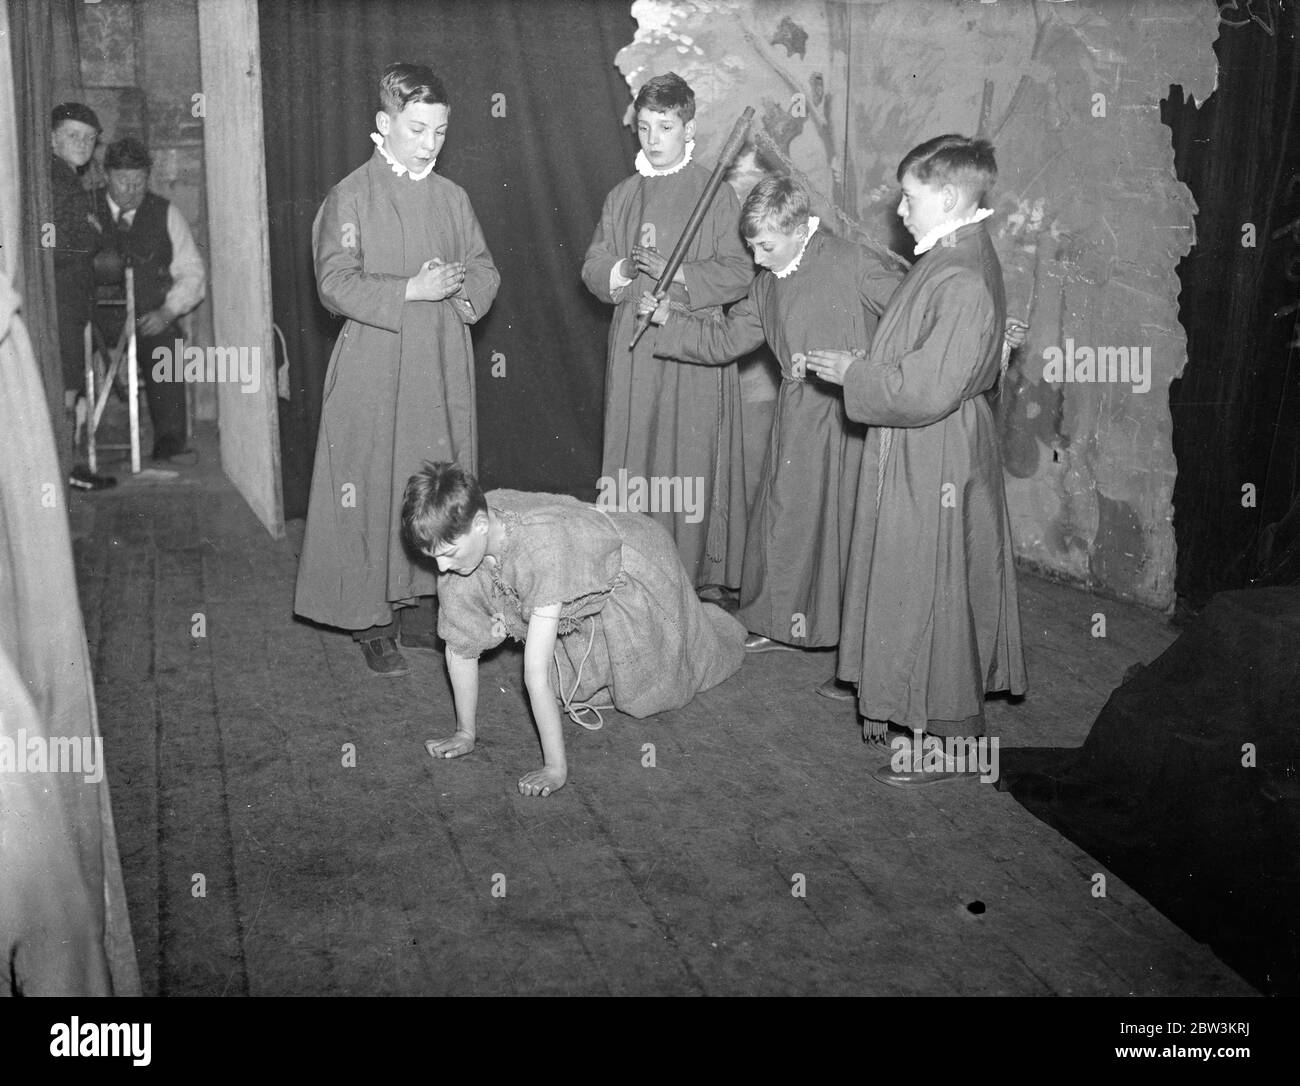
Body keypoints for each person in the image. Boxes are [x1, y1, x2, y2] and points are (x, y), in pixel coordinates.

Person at [806, 134, 1028, 786]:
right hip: (925, 445)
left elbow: (930, 387)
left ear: (952, 198)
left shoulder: (960, 274)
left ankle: (953, 739)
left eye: (910, 198)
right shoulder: (951, 254)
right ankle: (891, 690)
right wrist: (867, 369)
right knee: (914, 581)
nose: (899, 211)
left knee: (933, 588)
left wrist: (857, 374)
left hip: (937, 453)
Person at [638, 177, 900, 701]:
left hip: (855, 416)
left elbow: (913, 319)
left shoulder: (852, 261)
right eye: (752, 245)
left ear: (802, 230)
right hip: (800, 411)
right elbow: (727, 339)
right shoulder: (768, 281)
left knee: (847, 530)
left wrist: (865, 364)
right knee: (788, 520)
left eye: (766, 246)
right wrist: (671, 318)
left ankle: (861, 658)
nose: (756, 259)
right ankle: (786, 623)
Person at [293, 63, 500, 677]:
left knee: (432, 482)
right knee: (369, 481)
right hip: (375, 365)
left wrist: (464, 295)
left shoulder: (452, 197)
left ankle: (425, 607)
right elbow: (333, 283)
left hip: (438, 365)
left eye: (440, 131)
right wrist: (411, 287)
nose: (430, 144)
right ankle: (370, 620)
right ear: (384, 125)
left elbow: (484, 269)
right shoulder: (350, 195)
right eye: (417, 130)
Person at [401, 462, 746, 797]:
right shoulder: (463, 546)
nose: (442, 567)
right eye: (434, 557)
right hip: (568, 561)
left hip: (636, 561)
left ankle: (704, 616)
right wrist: (465, 733)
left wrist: (555, 769)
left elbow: (535, 675)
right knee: (577, 685)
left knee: (653, 693)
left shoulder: (543, 553)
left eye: (448, 554)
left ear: (479, 525)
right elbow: (460, 646)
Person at [581, 72, 754, 594]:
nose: (654, 139)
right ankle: (632, 573)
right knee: (635, 455)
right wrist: (626, 271)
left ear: (689, 128)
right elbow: (593, 268)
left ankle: (689, 576)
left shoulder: (715, 194)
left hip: (689, 346)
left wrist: (677, 274)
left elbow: (741, 272)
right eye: (646, 128)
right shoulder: (622, 195)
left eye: (667, 127)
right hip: (634, 346)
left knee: (685, 457)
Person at [93, 137, 207, 463]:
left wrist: (168, 311)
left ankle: (170, 443)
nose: (130, 189)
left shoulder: (165, 213)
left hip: (147, 318)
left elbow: (192, 273)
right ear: (106, 175)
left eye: (138, 182)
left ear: (148, 177)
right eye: (122, 181)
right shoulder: (87, 210)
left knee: (165, 344)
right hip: (98, 321)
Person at [49, 102, 115, 490]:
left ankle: (65, 468)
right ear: (53, 138)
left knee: (69, 385)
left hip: (71, 300)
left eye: (89, 138)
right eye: (73, 135)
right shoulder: (57, 179)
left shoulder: (66, 179)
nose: (82, 143)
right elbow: (59, 243)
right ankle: (63, 470)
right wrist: (91, 233)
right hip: (59, 299)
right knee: (65, 388)